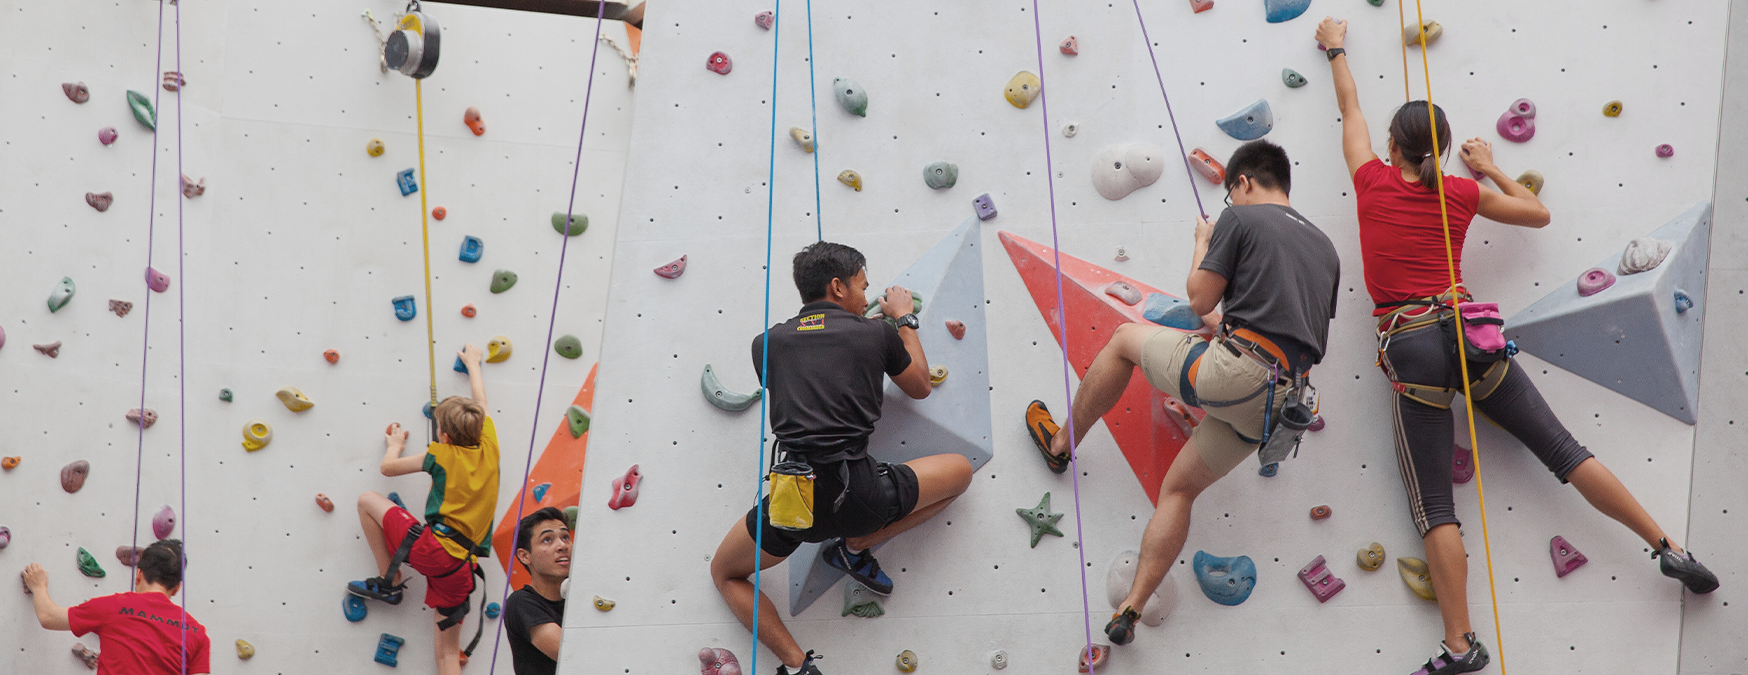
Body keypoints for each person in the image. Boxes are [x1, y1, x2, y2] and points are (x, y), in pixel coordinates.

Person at [1315, 16, 1718, 675]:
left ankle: (1460, 645)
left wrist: (1335, 47)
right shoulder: (1460, 192)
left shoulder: (1371, 181)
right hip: (1470, 331)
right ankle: (1668, 545)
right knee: (1565, 450)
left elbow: (1349, 105)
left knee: (1436, 505)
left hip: (1410, 341)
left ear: (1391, 147)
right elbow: (1537, 213)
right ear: (1442, 151)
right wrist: (1491, 166)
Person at [1027, 139, 1342, 648]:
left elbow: (1198, 298)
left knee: (1123, 340)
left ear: (1242, 182)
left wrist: (1203, 240)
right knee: (1179, 490)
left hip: (1236, 373)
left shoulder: (1243, 218)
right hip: (1280, 404)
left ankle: (1061, 444)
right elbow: (1281, 327)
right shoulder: (1326, 248)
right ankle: (1130, 608)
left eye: (1229, 196)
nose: (1229, 207)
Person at [709, 241, 974, 675]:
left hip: (792, 504)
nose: (864, 295)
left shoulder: (765, 344)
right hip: (860, 496)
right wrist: (902, 319)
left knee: (725, 573)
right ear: (837, 285)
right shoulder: (877, 334)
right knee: (961, 473)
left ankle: (797, 665)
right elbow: (920, 385)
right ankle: (857, 545)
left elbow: (812, 368)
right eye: (861, 286)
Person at [347, 343, 500, 675]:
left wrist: (395, 445)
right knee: (447, 655)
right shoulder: (489, 444)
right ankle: (393, 577)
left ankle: (391, 578)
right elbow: (482, 403)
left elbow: (389, 468)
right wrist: (473, 363)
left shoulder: (440, 454)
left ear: (443, 435)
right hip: (462, 568)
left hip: (434, 551)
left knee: (367, 501)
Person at [23, 538, 212, 674]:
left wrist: (38, 586)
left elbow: (49, 617)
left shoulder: (114, 606)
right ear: (177, 588)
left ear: (138, 575)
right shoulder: (197, 633)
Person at [504, 507, 571, 675]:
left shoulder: (580, 598)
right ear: (525, 556)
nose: (562, 545)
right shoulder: (520, 602)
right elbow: (571, 654)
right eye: (547, 540)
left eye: (565, 537)